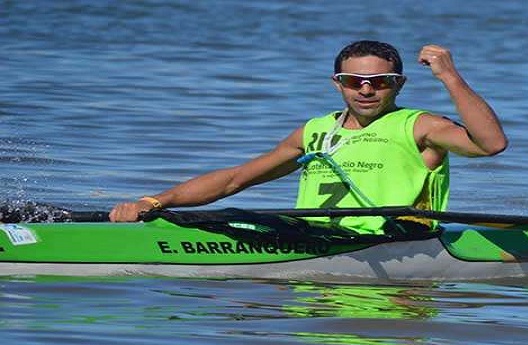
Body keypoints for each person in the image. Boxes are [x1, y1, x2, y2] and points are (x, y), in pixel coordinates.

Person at [109, 40, 507, 233]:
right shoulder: (315, 131)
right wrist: (154, 200)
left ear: (398, 84)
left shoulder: (421, 127)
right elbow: (236, 179)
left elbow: (491, 145)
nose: (365, 90)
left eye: (378, 82)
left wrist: (449, 77)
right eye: (354, 81)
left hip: (395, 245)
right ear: (338, 84)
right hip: (313, 238)